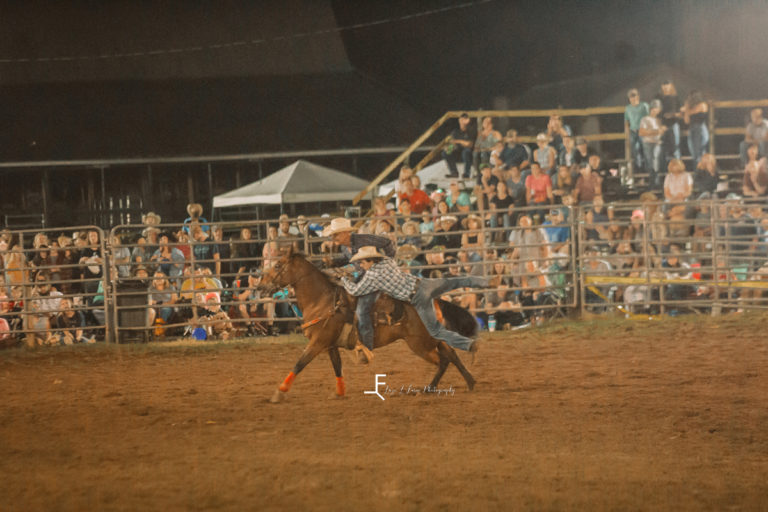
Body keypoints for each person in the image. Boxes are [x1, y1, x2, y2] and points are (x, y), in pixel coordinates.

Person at [341, 246, 486, 353]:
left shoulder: (372, 277)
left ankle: (468, 345)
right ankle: (486, 281)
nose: (360, 265)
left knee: (436, 331)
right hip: (423, 283)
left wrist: (344, 280)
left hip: (417, 297)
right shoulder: (387, 262)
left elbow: (355, 290)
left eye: (362, 262)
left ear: (370, 260)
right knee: (455, 282)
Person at [324, 217, 395, 351]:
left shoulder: (363, 240)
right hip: (363, 277)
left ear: (346, 233)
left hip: (374, 278)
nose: (333, 238)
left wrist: (387, 262)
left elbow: (387, 243)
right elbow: (348, 258)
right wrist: (333, 262)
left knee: (362, 311)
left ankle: (367, 347)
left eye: (336, 234)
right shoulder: (345, 247)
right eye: (332, 235)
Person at [639, 99, 666, 188]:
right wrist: (656, 131)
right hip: (648, 142)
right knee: (651, 162)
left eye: (657, 108)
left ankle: (655, 182)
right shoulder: (645, 119)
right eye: (654, 108)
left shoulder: (658, 120)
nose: (656, 110)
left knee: (655, 161)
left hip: (657, 143)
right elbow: (642, 132)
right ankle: (653, 182)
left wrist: (660, 131)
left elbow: (661, 132)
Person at [682, 90, 709, 168]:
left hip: (700, 128)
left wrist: (686, 108)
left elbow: (695, 110)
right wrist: (687, 109)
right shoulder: (689, 108)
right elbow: (686, 121)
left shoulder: (702, 104)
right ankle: (698, 172)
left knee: (700, 153)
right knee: (694, 154)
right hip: (692, 129)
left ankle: (702, 172)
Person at [625, 89, 650, 175]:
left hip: (643, 132)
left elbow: (648, 118)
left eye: (634, 95)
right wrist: (627, 134)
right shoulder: (628, 108)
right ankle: (640, 173)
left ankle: (648, 173)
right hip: (633, 132)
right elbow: (627, 121)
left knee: (647, 152)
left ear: (638, 96)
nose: (633, 98)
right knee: (636, 153)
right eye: (631, 96)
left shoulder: (644, 106)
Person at [657, 80, 682, 165]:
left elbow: (680, 113)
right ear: (661, 87)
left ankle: (679, 168)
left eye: (667, 85)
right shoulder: (659, 98)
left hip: (673, 125)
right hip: (662, 127)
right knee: (664, 150)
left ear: (671, 86)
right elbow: (655, 113)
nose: (666, 87)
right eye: (664, 85)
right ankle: (666, 171)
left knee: (676, 148)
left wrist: (672, 115)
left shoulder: (676, 98)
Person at [443, 113, 475, 178]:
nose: (463, 121)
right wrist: (448, 148)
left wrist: (458, 141)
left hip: (469, 152)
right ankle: (454, 172)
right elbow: (452, 143)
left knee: (466, 152)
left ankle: (467, 174)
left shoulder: (470, 130)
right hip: (457, 151)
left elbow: (469, 144)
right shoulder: (455, 132)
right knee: (445, 152)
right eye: (461, 119)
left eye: (465, 119)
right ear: (459, 120)